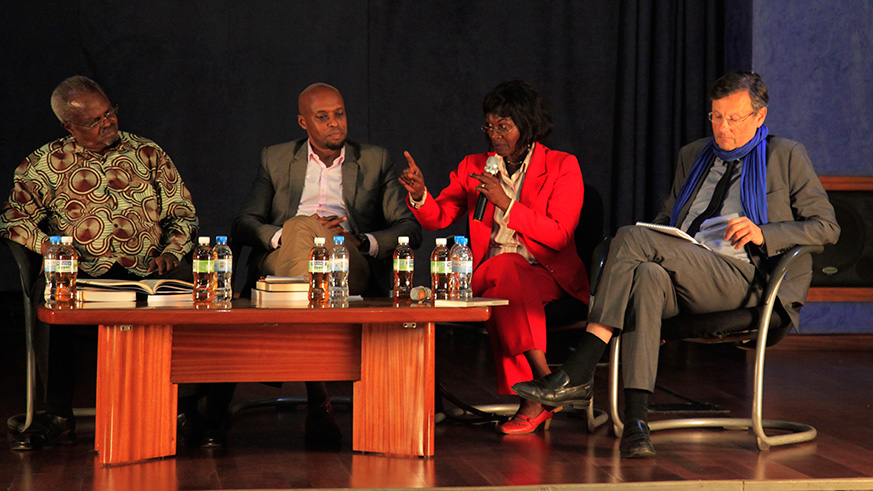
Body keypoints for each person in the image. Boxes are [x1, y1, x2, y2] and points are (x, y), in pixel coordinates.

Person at [511, 71, 840, 457]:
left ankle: (580, 369)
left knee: (631, 237)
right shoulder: (693, 155)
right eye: (716, 117)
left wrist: (764, 233)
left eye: (734, 119)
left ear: (760, 117)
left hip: (744, 275)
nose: (723, 128)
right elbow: (667, 219)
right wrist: (666, 238)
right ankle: (636, 422)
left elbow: (826, 228)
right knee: (647, 276)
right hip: (686, 267)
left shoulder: (785, 155)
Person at [0, 75, 200, 450]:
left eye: (110, 113)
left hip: (146, 267)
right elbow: (13, 218)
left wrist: (171, 253)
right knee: (53, 290)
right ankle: (57, 413)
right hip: (81, 271)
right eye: (95, 121)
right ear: (69, 126)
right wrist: (48, 248)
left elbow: (182, 213)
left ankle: (183, 409)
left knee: (189, 284)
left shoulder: (148, 153)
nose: (108, 123)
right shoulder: (43, 164)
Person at [230, 82, 422, 444]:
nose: (335, 123)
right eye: (323, 117)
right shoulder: (276, 157)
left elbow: (409, 229)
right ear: (303, 122)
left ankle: (317, 394)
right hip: (284, 253)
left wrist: (360, 240)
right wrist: (286, 234)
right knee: (304, 229)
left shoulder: (375, 159)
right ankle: (319, 398)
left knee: (315, 243)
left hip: (347, 259)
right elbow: (246, 221)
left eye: (340, 114)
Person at [399, 79, 590, 434]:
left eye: (504, 126)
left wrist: (508, 204)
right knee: (503, 269)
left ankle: (536, 398)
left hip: (546, 275)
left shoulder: (563, 166)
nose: (494, 134)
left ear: (527, 126)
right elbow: (440, 216)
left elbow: (560, 235)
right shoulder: (475, 165)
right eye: (489, 125)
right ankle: (547, 382)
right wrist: (421, 195)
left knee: (506, 289)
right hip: (487, 271)